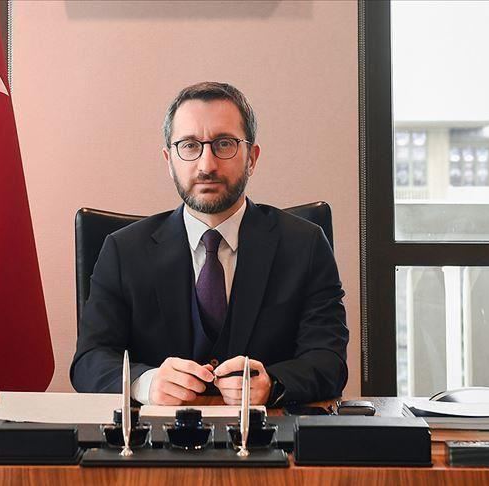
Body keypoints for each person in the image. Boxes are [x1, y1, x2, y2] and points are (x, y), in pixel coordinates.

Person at [70, 82, 348, 406]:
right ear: (169, 160)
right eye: (189, 146)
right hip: (156, 435)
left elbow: (329, 360)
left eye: (224, 144)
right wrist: (145, 383)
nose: (207, 166)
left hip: (268, 431)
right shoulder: (122, 251)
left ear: (252, 158)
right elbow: (89, 360)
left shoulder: (305, 245)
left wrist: (273, 384)